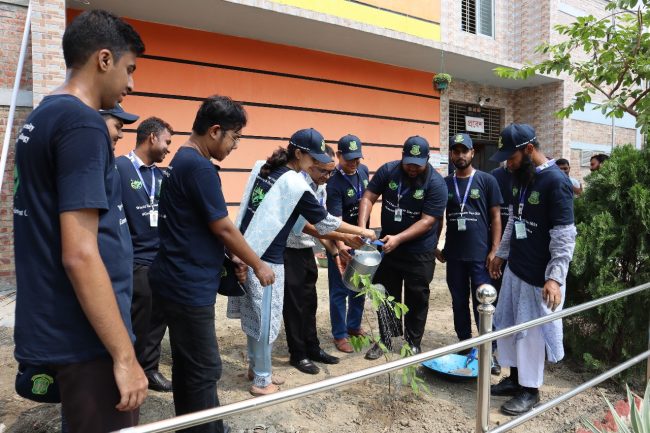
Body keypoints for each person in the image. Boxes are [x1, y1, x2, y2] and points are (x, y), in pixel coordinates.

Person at [13, 10, 147, 433]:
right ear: (104, 59)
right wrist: (124, 357)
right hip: (87, 338)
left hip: (63, 326)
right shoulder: (83, 124)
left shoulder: (43, 114)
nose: (131, 85)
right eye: (129, 69)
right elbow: (80, 253)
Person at [149, 95, 275, 433]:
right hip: (187, 284)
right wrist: (258, 264)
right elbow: (222, 226)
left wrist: (230, 255)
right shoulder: (199, 167)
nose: (235, 145)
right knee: (204, 368)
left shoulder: (184, 159)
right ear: (215, 131)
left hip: (176, 278)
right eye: (235, 137)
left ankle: (195, 427)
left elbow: (198, 225)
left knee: (188, 365)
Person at [228, 128, 376, 396]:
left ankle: (256, 367)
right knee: (266, 321)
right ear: (298, 154)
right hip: (267, 261)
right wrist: (363, 231)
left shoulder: (263, 167)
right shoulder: (295, 184)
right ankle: (262, 381)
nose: (317, 166)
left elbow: (298, 221)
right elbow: (325, 221)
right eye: (315, 160)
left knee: (255, 317)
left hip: (247, 251)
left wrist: (342, 240)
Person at [488, 124, 576, 415]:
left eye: (510, 157)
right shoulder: (520, 179)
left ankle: (530, 390)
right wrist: (502, 254)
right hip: (516, 268)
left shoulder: (556, 182)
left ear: (528, 150)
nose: (507, 164)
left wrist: (555, 278)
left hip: (539, 276)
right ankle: (515, 379)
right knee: (509, 325)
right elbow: (515, 220)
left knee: (531, 335)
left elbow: (564, 235)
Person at [358, 136, 448, 359]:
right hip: (389, 247)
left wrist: (398, 238)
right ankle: (386, 339)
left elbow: (428, 221)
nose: (412, 168)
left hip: (420, 251)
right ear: (402, 157)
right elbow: (368, 198)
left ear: (427, 160)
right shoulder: (388, 171)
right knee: (385, 294)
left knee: (417, 297)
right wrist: (362, 229)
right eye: (409, 163)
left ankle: (413, 342)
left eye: (418, 164)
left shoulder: (436, 183)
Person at [282, 145, 363, 375]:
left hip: (306, 249)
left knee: (310, 302)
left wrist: (335, 253)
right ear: (310, 165)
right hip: (289, 249)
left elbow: (320, 228)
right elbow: (306, 226)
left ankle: (313, 347)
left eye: (330, 171)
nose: (327, 176)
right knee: (294, 305)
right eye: (323, 171)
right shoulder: (298, 185)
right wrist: (348, 236)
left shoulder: (321, 188)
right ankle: (298, 354)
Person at [434, 133, 502, 373]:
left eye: (465, 151)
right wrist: (436, 245)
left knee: (483, 303)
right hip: (454, 255)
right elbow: (438, 218)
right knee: (458, 302)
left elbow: (496, 217)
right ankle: (464, 344)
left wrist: (495, 249)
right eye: (456, 151)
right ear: (451, 154)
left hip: (480, 255)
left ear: (473, 153)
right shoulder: (444, 183)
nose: (460, 155)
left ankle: (489, 351)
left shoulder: (486, 180)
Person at [116, 116, 174, 392]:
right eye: (166, 142)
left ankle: (149, 370)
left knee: (157, 319)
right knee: (135, 320)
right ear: (152, 137)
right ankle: (129, 371)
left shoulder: (160, 176)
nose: (168, 149)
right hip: (133, 261)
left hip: (159, 260)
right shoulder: (119, 168)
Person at [325, 134, 371, 353]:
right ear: (339, 155)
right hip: (340, 241)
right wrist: (341, 248)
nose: (354, 162)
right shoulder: (333, 182)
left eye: (357, 158)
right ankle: (340, 334)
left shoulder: (363, 171)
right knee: (339, 289)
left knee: (359, 286)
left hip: (361, 241)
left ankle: (353, 325)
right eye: (350, 158)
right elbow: (334, 221)